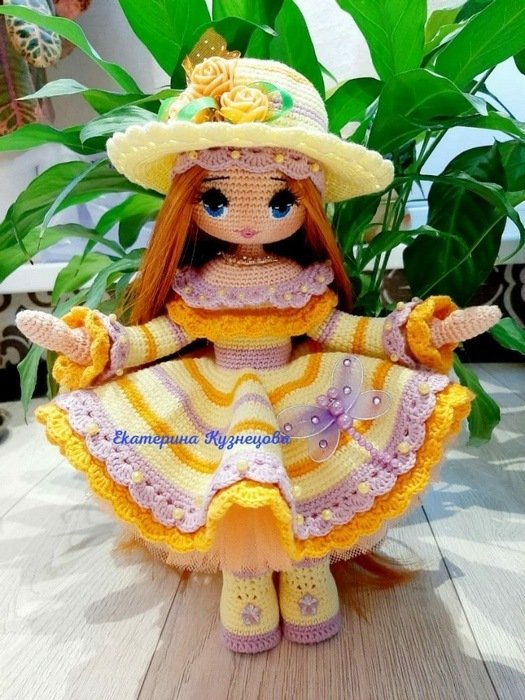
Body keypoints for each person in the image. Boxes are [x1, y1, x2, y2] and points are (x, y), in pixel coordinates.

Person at [17, 48, 500, 654]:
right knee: (233, 487)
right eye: (215, 202)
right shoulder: (199, 283)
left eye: (279, 204)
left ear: (307, 205)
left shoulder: (301, 283)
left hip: (297, 390)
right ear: (188, 203)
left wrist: (415, 335)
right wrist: (93, 345)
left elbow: (343, 330)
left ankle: (306, 566)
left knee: (307, 480)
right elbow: (162, 337)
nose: (248, 222)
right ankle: (244, 577)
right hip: (216, 395)